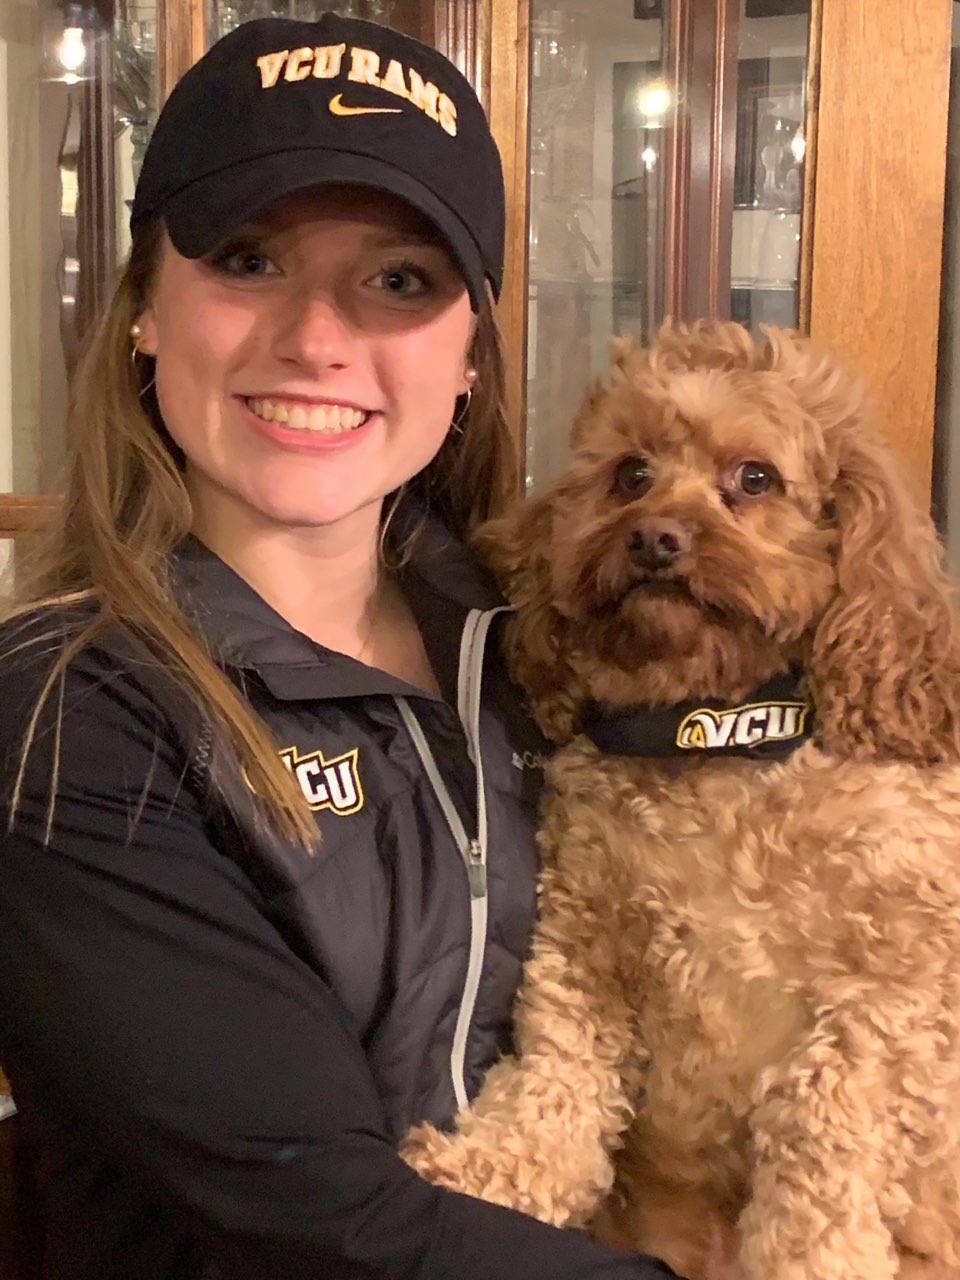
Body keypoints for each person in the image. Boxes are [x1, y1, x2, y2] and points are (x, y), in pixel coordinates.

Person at [0, 13, 685, 1280]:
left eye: (399, 279)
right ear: (147, 308)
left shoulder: (549, 647)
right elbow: (328, 1226)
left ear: (469, 354)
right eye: (250, 259)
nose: (318, 338)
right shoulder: (68, 714)